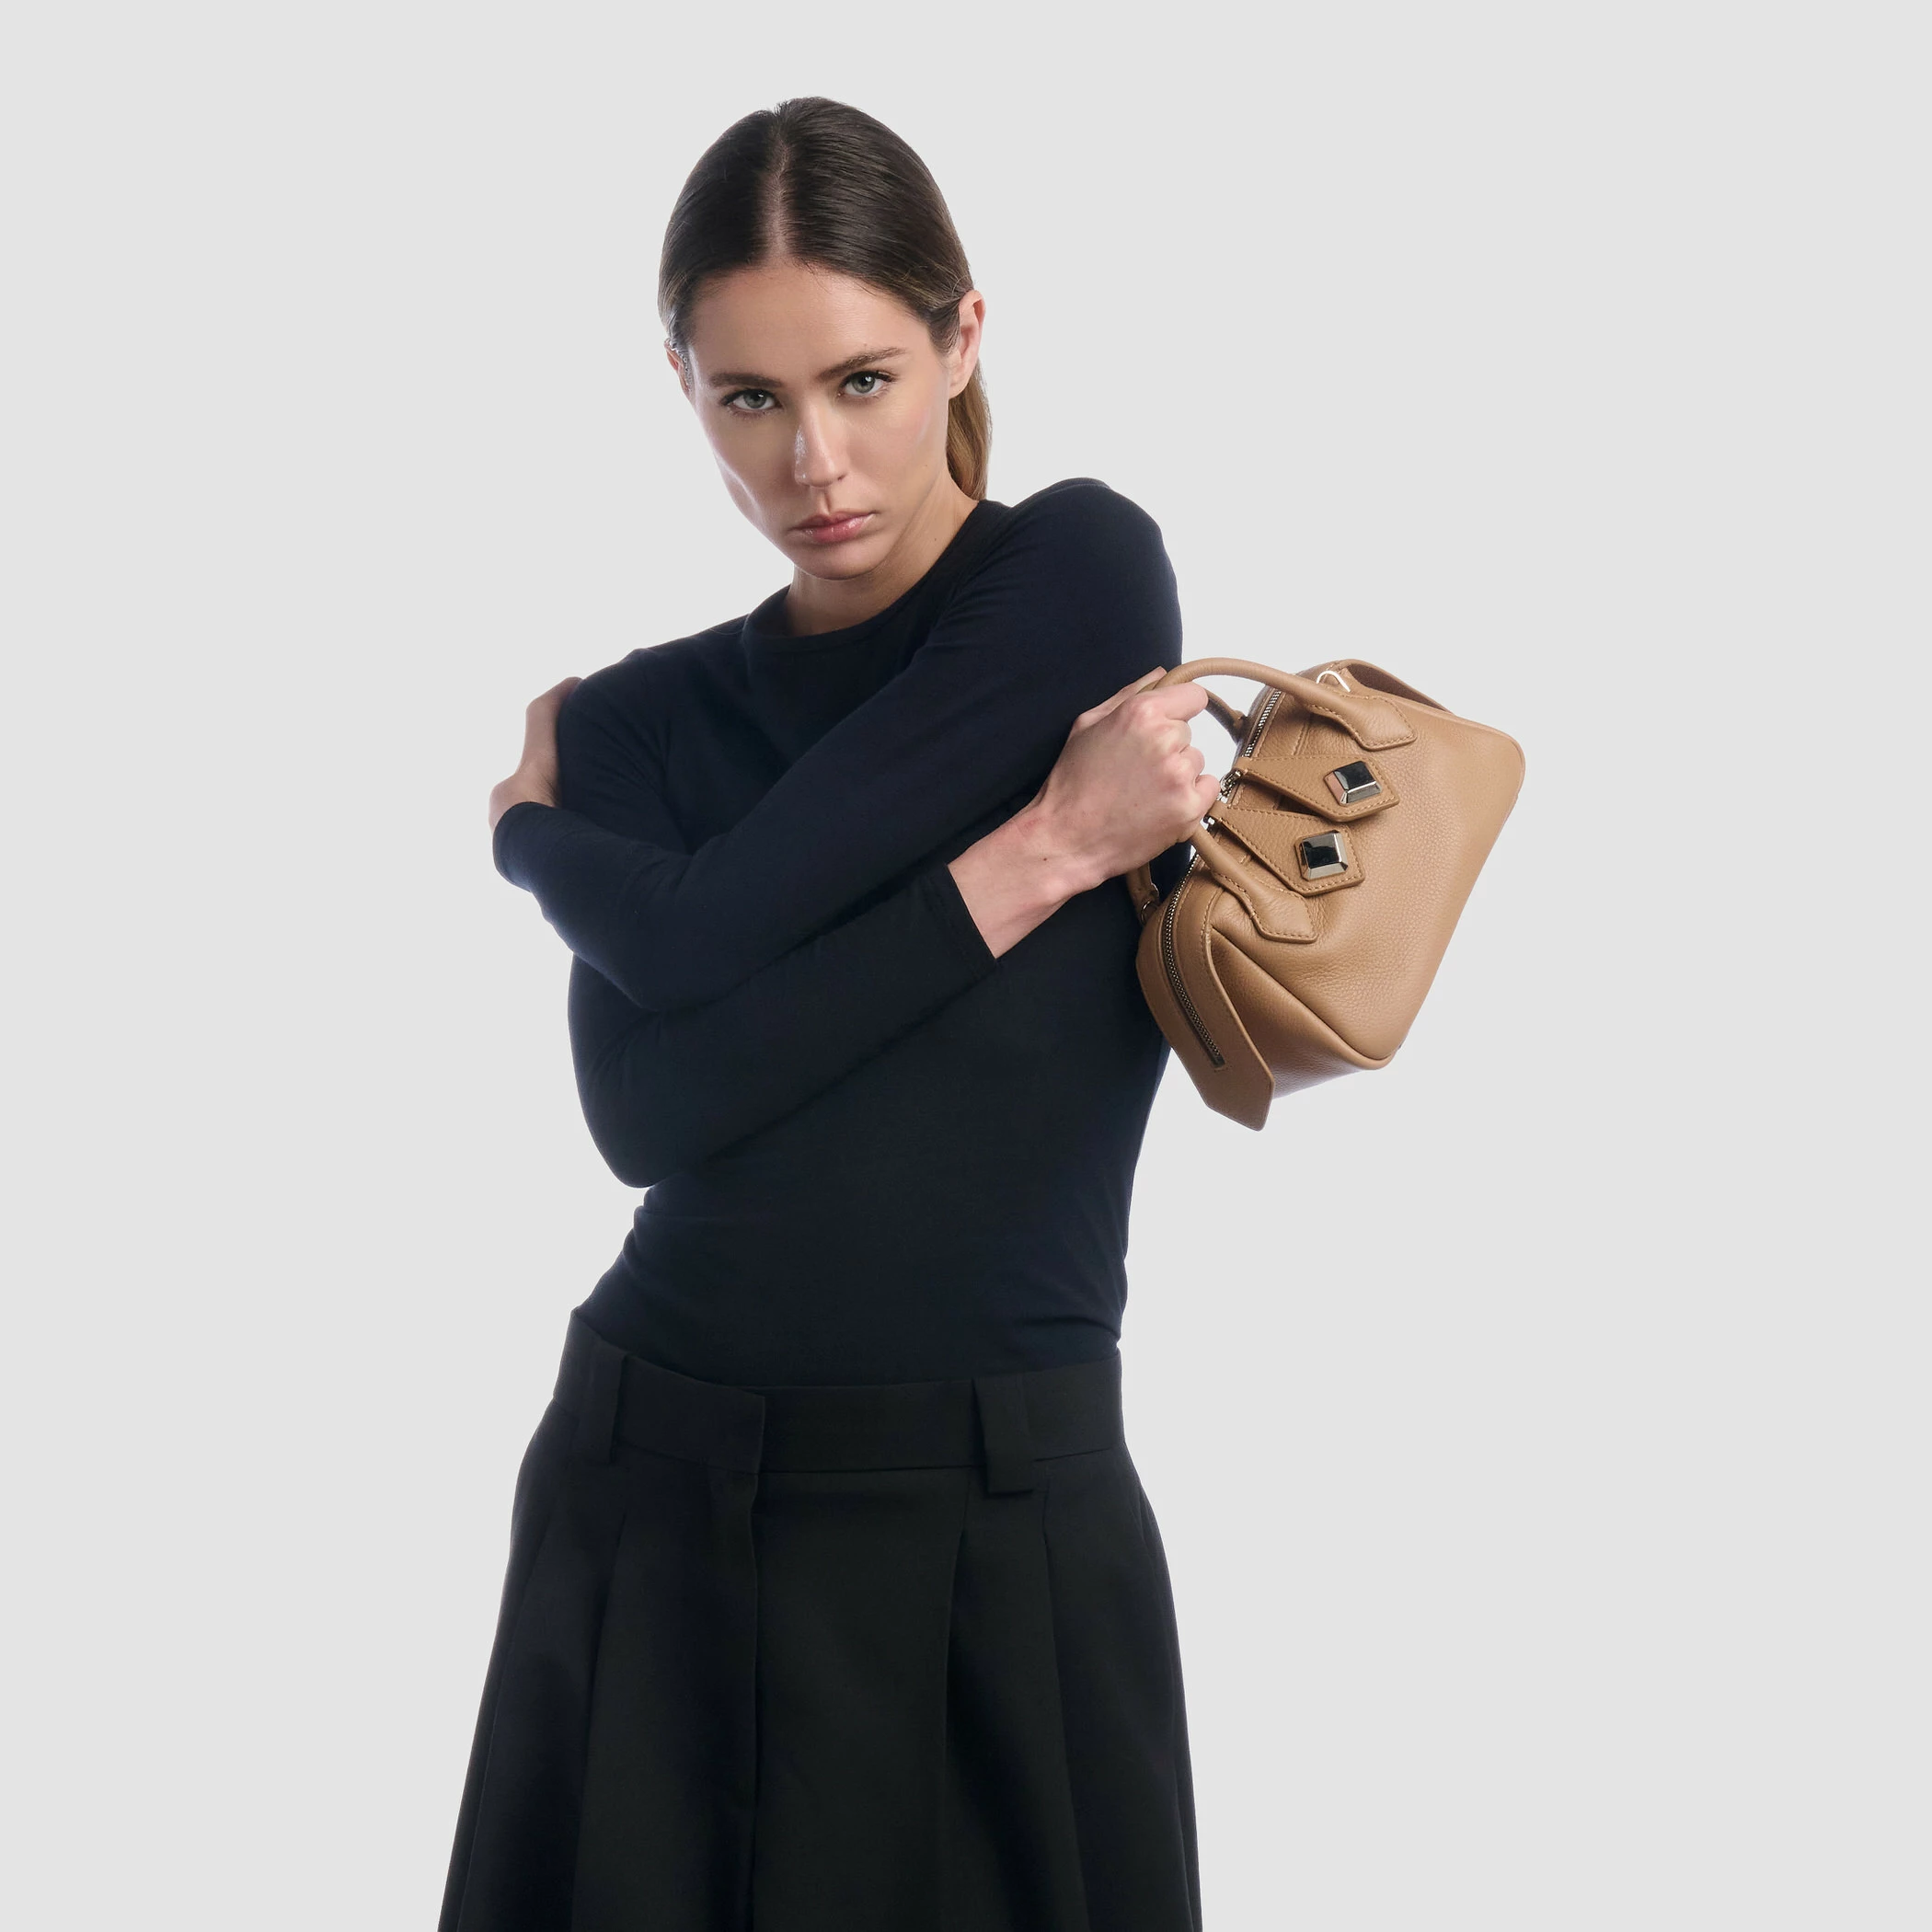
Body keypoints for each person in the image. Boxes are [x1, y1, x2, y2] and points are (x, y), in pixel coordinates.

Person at [441, 96, 1220, 1932]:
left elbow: (706, 935)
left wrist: (537, 842)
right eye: (750, 399)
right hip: (656, 1494)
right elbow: (651, 1112)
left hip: (1004, 1510)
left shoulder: (1074, 582)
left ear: (962, 337)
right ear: (684, 388)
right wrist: (1037, 857)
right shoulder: (638, 726)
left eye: (864, 380)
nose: (815, 461)